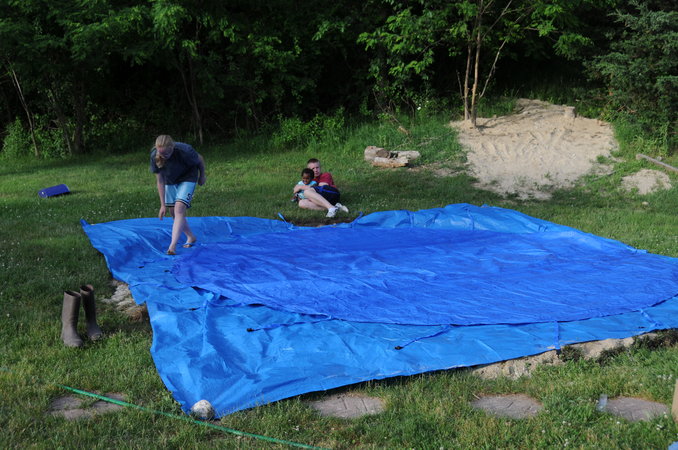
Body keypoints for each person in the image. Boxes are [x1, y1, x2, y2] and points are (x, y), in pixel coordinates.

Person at [150, 135, 206, 255]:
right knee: (173, 213)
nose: (164, 156)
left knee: (179, 209)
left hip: (188, 177)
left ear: (172, 147)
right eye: (161, 154)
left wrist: (202, 175)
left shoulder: (185, 150)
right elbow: (160, 181)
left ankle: (172, 246)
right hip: (170, 181)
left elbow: (200, 159)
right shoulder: (155, 156)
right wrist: (162, 205)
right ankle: (191, 236)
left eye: (167, 153)